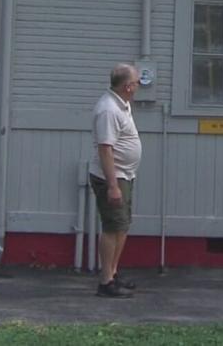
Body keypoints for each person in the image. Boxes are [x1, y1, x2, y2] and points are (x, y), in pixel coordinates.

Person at [89, 63, 141, 298]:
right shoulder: (109, 109)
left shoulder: (123, 105)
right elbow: (105, 149)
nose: (139, 86)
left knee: (122, 225)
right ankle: (105, 282)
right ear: (128, 86)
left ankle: (113, 272)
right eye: (137, 82)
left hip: (125, 176)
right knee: (112, 227)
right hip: (113, 178)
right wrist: (112, 186)